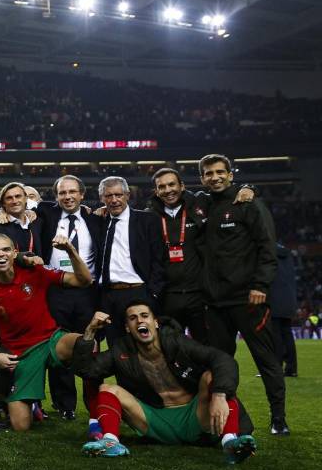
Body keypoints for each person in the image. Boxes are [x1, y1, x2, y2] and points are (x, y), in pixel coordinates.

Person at [70, 301, 257, 464]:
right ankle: (110, 442)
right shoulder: (121, 349)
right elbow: (87, 370)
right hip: (155, 421)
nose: (140, 321)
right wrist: (90, 331)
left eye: (145, 316)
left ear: (155, 322)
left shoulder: (176, 341)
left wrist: (219, 394)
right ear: (127, 327)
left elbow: (222, 359)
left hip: (196, 418)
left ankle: (230, 441)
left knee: (212, 377)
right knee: (107, 389)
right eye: (133, 318)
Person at [199, 154, 287, 434]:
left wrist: (260, 286)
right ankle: (227, 419)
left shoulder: (249, 203)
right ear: (202, 178)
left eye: (219, 172)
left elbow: (267, 248)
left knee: (267, 360)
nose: (215, 177)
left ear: (230, 174)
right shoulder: (202, 205)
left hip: (248, 300)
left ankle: (278, 419)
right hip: (214, 303)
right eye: (208, 173)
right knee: (221, 365)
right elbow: (169, 197)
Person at [0, 232, 94, 432]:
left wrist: (70, 250)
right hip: (22, 354)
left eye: (5, 249)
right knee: (21, 426)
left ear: (14, 253)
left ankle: (97, 415)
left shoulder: (35, 271)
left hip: (51, 339)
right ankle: (27, 402)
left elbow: (84, 280)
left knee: (85, 344)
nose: (0, 254)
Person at [35, 174, 104, 420]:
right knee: (58, 345)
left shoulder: (95, 219)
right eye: (62, 193)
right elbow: (23, 201)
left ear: (82, 195)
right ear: (56, 197)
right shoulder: (46, 214)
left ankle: (94, 402)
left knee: (89, 345)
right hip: (57, 291)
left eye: (72, 192)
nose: (68, 196)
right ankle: (65, 405)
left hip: (88, 292)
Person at [94, 176, 165, 342]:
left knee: (145, 346)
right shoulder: (98, 222)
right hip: (108, 295)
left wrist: (153, 293)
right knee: (116, 348)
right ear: (101, 198)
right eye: (108, 196)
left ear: (127, 195)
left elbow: (159, 258)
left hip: (139, 292)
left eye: (118, 195)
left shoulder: (147, 220)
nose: (114, 200)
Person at [147, 168, 210, 342]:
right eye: (162, 187)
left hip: (198, 295)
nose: (168, 190)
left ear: (182, 186)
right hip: (167, 297)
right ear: (156, 191)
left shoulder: (199, 205)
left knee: (206, 346)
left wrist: (249, 188)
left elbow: (225, 197)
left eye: (172, 184)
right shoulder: (149, 217)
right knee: (172, 350)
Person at [270, 244, 299, 378]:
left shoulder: (268, 251)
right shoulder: (287, 254)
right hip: (289, 299)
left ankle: (276, 368)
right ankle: (292, 369)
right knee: (287, 334)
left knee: (275, 335)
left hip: (275, 299)